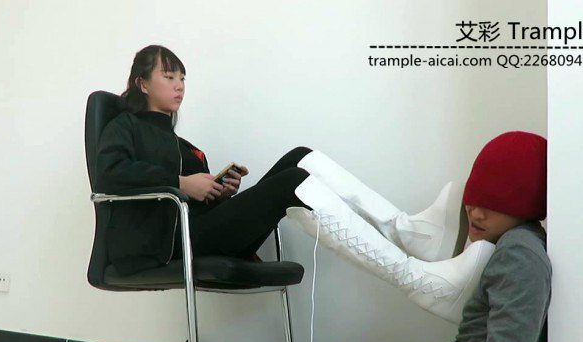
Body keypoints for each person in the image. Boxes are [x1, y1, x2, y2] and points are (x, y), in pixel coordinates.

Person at [95, 44, 493, 323]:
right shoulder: (124, 126)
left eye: (183, 77)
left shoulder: (183, 145)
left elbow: (195, 203)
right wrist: (181, 182)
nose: (180, 85)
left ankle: (408, 231)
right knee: (295, 182)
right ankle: (417, 280)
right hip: (165, 246)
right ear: (142, 83)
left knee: (300, 157)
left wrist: (218, 192)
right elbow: (109, 172)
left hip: (198, 231)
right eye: (169, 76)